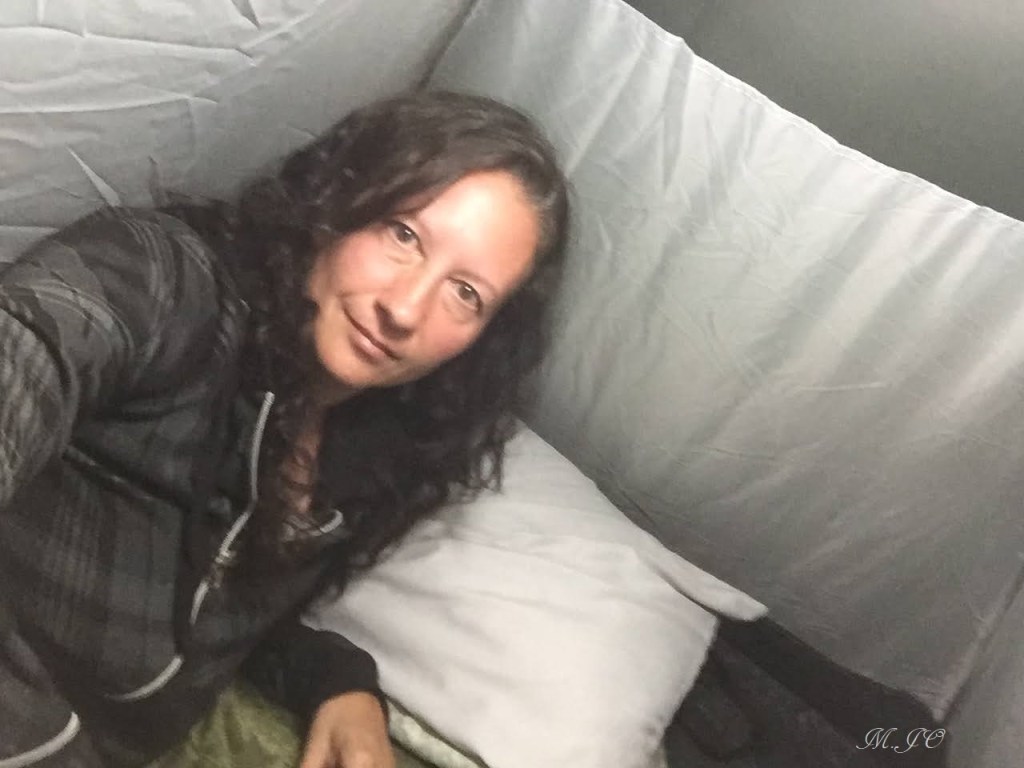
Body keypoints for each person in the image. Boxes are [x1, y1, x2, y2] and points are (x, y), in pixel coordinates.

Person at [0, 90, 570, 768]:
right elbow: (34, 346)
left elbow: (210, 611)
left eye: (465, 293)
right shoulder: (162, 280)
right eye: (403, 233)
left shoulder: (367, 456)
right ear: (340, 199)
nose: (405, 308)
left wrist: (336, 680)